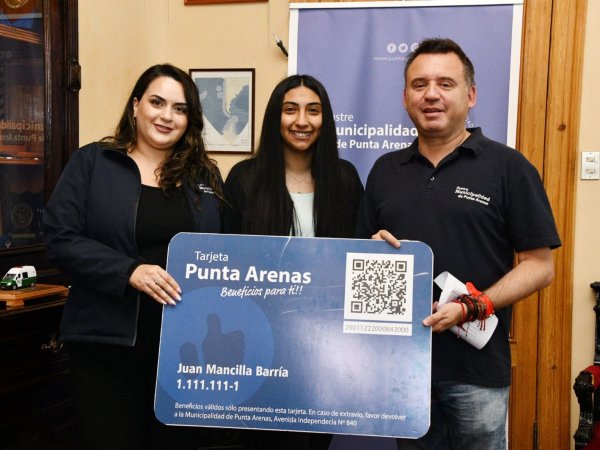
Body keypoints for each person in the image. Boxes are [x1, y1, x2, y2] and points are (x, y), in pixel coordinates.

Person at [356, 38, 561, 450]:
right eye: (419, 84)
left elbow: (540, 266)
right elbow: (358, 257)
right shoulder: (384, 170)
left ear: (471, 95)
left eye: (445, 84)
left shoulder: (509, 167)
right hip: (402, 367)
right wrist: (371, 250)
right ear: (405, 97)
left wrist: (472, 306)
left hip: (476, 371)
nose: (431, 94)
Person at [43, 64, 223, 450]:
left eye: (179, 109)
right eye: (157, 102)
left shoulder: (203, 177)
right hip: (105, 347)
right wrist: (129, 271)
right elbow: (59, 238)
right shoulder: (93, 163)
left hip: (183, 351)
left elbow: (225, 252)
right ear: (136, 105)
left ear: (189, 120)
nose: (166, 116)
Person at [223, 74, 364, 449]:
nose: (302, 121)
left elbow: (359, 256)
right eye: (291, 110)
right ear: (276, 116)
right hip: (259, 342)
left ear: (325, 119)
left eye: (313, 111)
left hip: (326, 346)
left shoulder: (345, 180)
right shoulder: (245, 179)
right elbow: (226, 264)